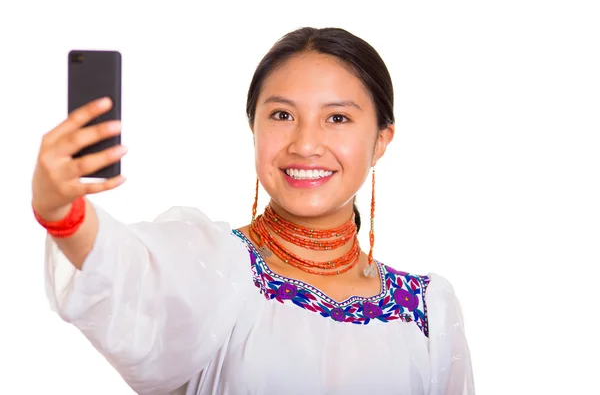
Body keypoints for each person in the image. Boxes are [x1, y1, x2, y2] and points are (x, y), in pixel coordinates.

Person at [32, 27, 475, 395]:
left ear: (381, 140)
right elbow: (131, 269)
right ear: (254, 128)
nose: (304, 144)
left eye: (337, 118)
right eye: (282, 115)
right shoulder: (215, 267)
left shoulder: (427, 310)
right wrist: (62, 212)